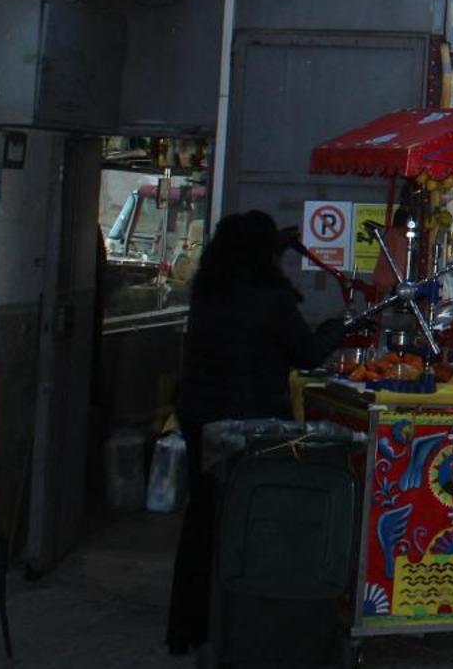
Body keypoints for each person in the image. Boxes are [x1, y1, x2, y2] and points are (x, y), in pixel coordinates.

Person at [168, 212, 348, 654]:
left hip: (201, 420)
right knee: (251, 519)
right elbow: (305, 355)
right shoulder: (270, 300)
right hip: (250, 427)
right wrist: (337, 328)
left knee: (203, 516)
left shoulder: (209, 291)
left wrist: (279, 242)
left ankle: (191, 625)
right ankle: (246, 623)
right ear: (262, 254)